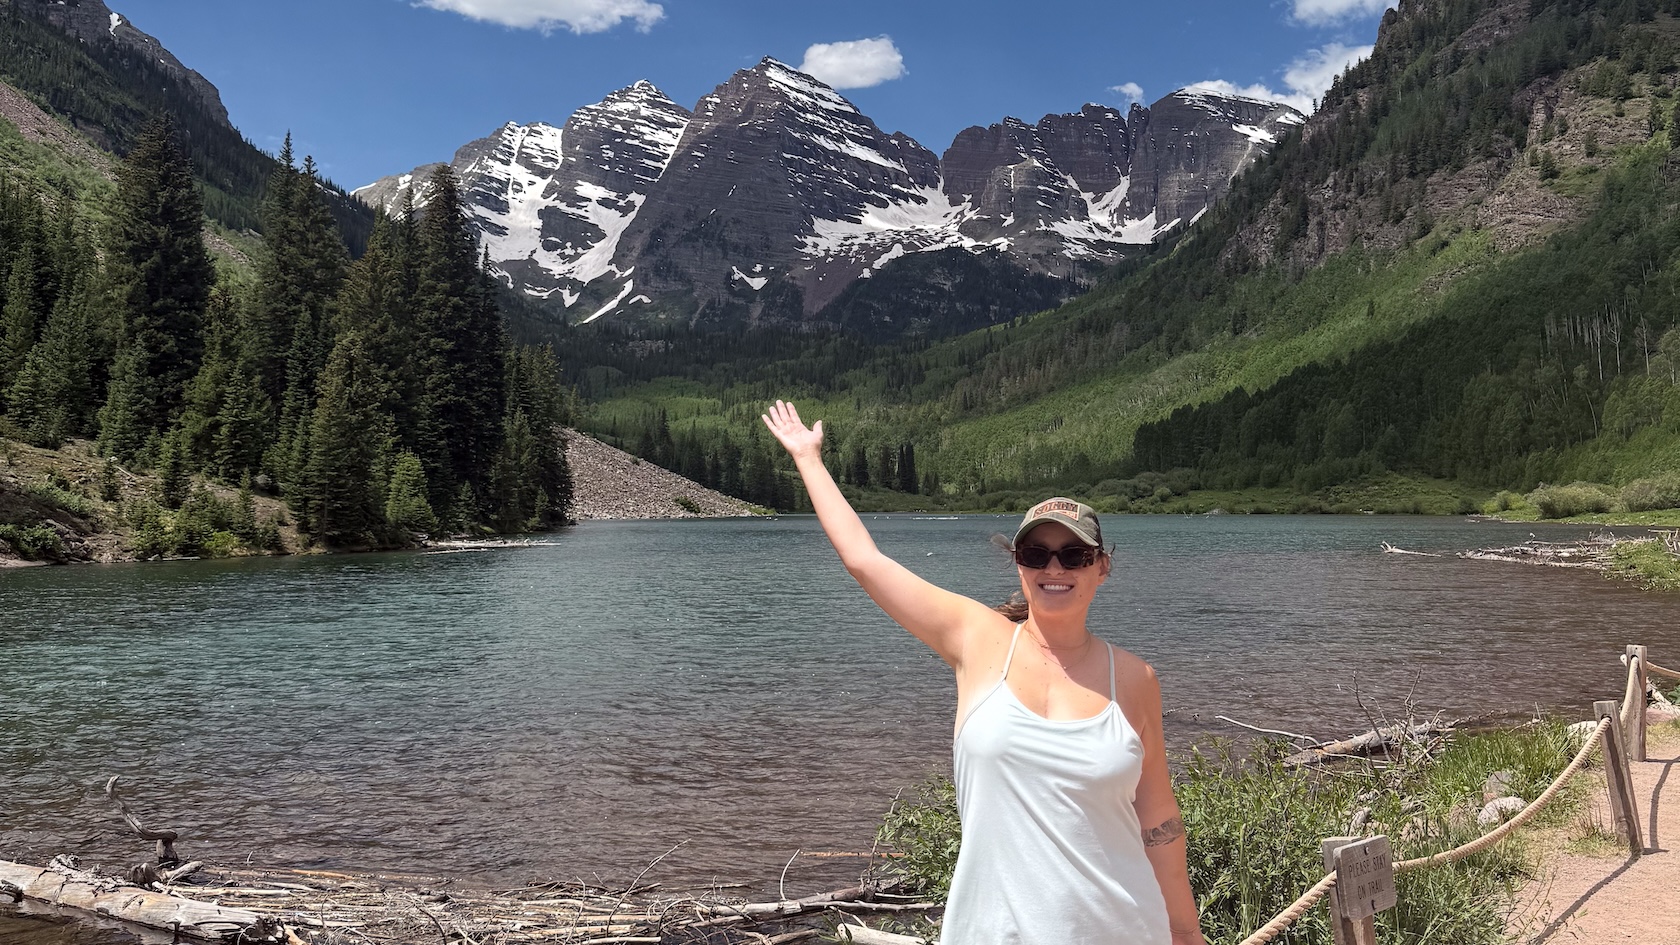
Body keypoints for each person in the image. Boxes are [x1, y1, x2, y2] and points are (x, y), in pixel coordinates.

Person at [761, 401, 1206, 945]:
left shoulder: (1135, 679)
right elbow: (865, 561)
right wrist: (808, 458)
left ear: (1101, 567)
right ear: (1017, 562)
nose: (1053, 568)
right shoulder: (976, 639)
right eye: (1035, 553)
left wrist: (1184, 930)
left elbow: (1159, 821)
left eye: (1074, 555)